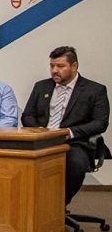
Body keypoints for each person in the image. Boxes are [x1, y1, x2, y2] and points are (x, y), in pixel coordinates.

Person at [21, 46, 109, 205]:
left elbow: (100, 123)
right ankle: (29, 206)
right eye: (52, 66)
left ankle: (57, 205)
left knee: (75, 165)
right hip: (41, 141)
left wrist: (69, 132)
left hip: (74, 142)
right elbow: (27, 115)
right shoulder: (41, 87)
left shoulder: (94, 90)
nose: (54, 70)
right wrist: (39, 131)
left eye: (60, 66)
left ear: (74, 66)